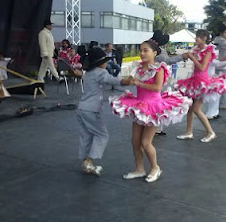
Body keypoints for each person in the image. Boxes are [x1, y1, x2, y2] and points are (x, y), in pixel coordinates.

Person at [110, 40, 191, 183]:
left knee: (145, 142)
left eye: (145, 50)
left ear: (154, 53)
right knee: (135, 141)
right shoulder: (139, 68)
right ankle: (139, 169)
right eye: (140, 50)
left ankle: (155, 168)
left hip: (154, 107)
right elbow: (132, 80)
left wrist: (139, 83)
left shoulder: (159, 68)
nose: (142, 53)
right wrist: (128, 81)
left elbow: (158, 87)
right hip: (139, 105)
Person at [76, 47, 132, 176]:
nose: (106, 64)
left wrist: (123, 88)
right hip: (92, 110)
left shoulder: (89, 73)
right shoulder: (100, 72)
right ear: (99, 62)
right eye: (105, 61)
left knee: (87, 135)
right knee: (102, 135)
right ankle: (89, 161)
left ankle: (86, 161)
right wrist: (128, 82)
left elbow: (105, 87)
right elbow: (113, 80)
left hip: (82, 108)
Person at [175, 29, 226, 142]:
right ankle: (189, 132)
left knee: (196, 108)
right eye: (196, 37)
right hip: (195, 81)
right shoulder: (197, 49)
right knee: (190, 108)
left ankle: (210, 132)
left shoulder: (208, 50)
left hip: (202, 82)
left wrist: (192, 57)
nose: (196, 39)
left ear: (204, 38)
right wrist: (186, 55)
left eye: (198, 37)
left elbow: (202, 67)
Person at [152, 30, 189, 136]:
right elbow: (167, 60)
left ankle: (156, 127)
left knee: (157, 103)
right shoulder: (157, 50)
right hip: (157, 79)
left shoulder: (153, 47)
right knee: (158, 103)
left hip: (156, 78)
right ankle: (155, 127)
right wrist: (182, 57)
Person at [213, 25, 226, 109]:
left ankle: (220, 103)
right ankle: (224, 103)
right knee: (223, 85)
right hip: (220, 65)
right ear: (221, 32)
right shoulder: (221, 40)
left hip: (217, 65)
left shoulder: (217, 39)